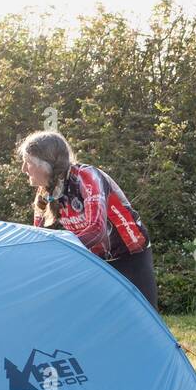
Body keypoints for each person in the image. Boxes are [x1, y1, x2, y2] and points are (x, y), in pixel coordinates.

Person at [17, 131, 157, 309]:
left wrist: (60, 251)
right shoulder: (45, 192)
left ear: (45, 165)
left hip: (131, 254)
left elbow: (97, 230)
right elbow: (39, 237)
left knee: (145, 317)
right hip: (96, 259)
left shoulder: (86, 177)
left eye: (27, 162)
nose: (23, 169)